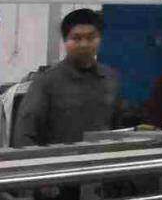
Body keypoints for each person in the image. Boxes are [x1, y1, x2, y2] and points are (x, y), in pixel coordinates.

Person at [14, 8, 124, 148]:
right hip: (59, 160)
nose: (84, 44)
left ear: (100, 39)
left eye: (91, 38)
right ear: (65, 41)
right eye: (76, 38)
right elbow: (24, 136)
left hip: (100, 159)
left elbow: (117, 131)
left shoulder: (110, 79)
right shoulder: (46, 82)